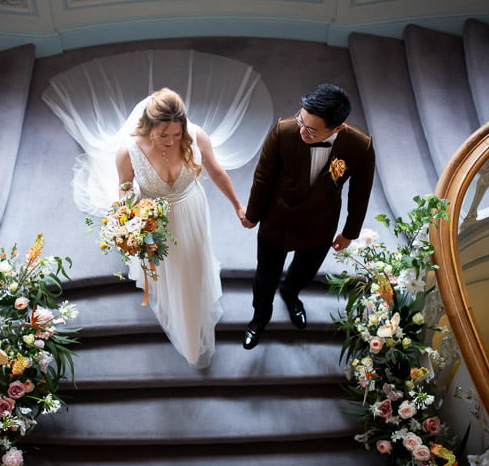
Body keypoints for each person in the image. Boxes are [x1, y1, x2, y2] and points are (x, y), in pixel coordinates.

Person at [115, 88, 248, 367]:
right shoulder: (128, 151)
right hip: (157, 217)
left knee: (193, 261)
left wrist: (237, 205)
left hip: (191, 208)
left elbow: (216, 171)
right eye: (164, 135)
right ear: (149, 127)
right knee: (169, 267)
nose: (172, 141)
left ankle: (195, 308)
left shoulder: (196, 136)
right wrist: (129, 222)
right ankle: (185, 325)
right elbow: (125, 190)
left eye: (177, 134)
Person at [241, 83, 375, 349]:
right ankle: (259, 317)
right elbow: (263, 177)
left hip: (321, 221)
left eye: (311, 129)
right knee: (265, 275)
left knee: (305, 270)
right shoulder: (284, 130)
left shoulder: (360, 146)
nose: (302, 130)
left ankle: (291, 293)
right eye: (301, 121)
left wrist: (350, 232)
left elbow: (360, 193)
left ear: (337, 128)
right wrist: (253, 215)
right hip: (278, 216)